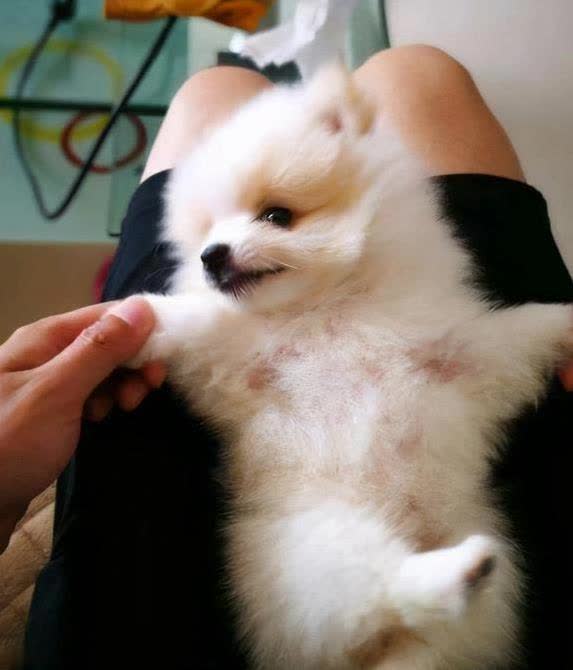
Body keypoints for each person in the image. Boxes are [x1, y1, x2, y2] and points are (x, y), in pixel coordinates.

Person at [1, 47, 569, 669]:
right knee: (416, 71)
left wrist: (555, 335)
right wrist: (134, 329)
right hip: (334, 545)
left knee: (212, 88)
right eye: (206, 237)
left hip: (442, 542)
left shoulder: (422, 302)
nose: (218, 249)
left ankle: (415, 614)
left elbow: (484, 357)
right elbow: (182, 328)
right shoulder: (246, 341)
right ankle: (399, 598)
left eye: (276, 214)